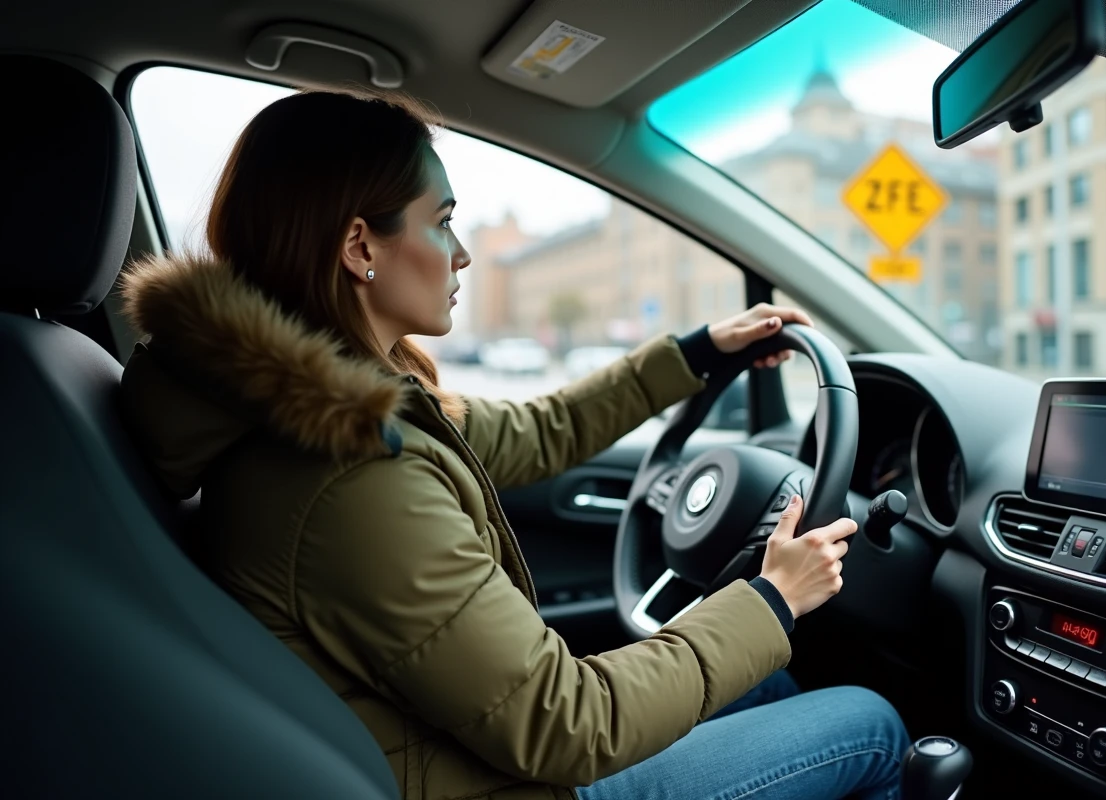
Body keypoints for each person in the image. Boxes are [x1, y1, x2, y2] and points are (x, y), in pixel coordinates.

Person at [119, 89, 909, 800]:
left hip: (455, 759)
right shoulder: (350, 476)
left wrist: (699, 353)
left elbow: (538, 432)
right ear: (360, 247)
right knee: (869, 723)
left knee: (775, 686)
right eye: (442, 221)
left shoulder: (322, 410)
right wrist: (773, 597)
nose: (462, 254)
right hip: (513, 783)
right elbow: (568, 726)